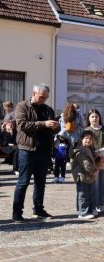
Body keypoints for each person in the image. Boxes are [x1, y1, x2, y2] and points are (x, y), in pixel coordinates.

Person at [12, 84, 60, 222]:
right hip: (27, 150)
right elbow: (22, 125)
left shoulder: (48, 109)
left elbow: (55, 130)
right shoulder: (22, 106)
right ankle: (17, 213)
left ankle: (38, 210)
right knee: (23, 182)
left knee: (40, 182)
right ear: (33, 93)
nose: (44, 99)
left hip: (44, 150)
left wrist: (56, 127)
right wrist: (43, 124)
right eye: (41, 97)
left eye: (46, 97)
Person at [84, 109, 104, 213]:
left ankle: (101, 204)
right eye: (92, 116)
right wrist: (94, 154)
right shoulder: (87, 130)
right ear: (88, 119)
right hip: (93, 160)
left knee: (103, 183)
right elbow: (85, 144)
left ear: (99, 117)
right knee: (94, 184)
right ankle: (94, 205)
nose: (94, 118)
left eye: (96, 116)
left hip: (103, 159)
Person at [71, 130, 100, 220]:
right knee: (83, 195)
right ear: (81, 139)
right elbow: (86, 164)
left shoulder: (88, 150)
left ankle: (88, 210)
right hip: (82, 176)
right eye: (86, 138)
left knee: (88, 195)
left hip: (87, 177)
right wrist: (94, 170)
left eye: (90, 139)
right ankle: (83, 213)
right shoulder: (80, 151)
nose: (88, 140)